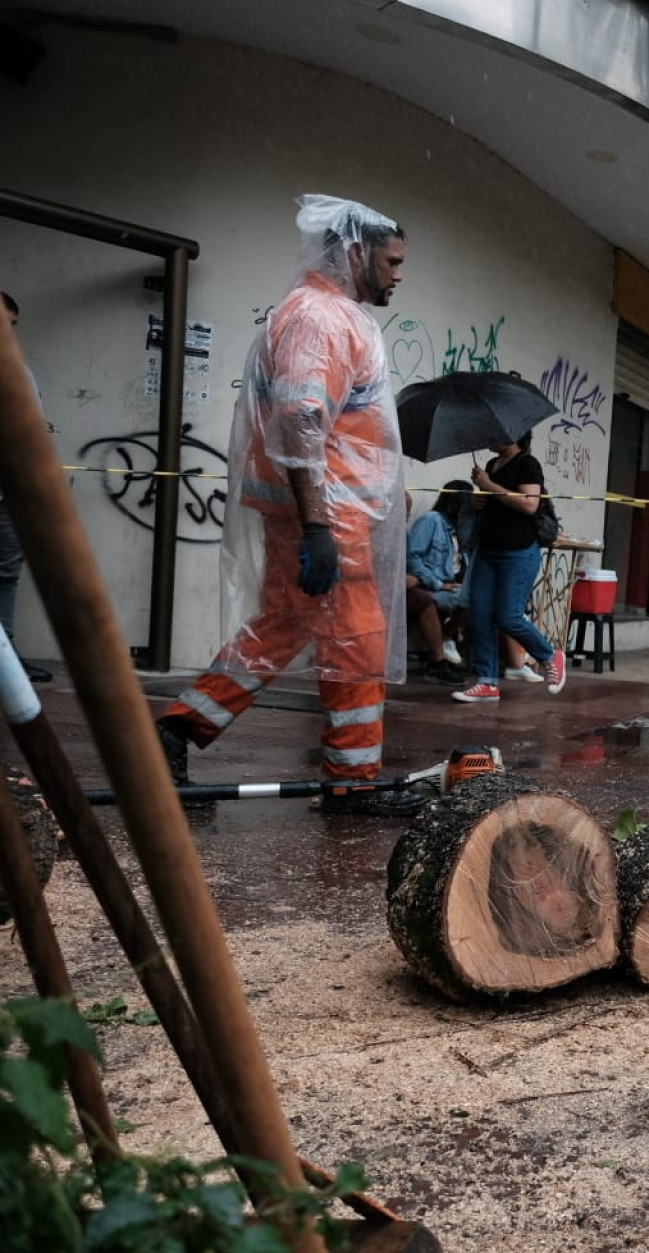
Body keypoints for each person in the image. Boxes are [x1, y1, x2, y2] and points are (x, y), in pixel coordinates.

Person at [153, 197, 420, 815]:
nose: (399, 275)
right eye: (393, 260)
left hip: (328, 514)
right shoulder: (322, 318)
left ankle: (177, 727)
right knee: (358, 642)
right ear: (356, 251)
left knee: (281, 628)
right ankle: (352, 783)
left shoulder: (321, 314)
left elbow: (327, 423)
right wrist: (320, 527)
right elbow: (302, 420)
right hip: (331, 519)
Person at [452, 431, 564, 702]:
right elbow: (494, 502)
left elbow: (529, 504)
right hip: (489, 550)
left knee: (508, 616)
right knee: (480, 616)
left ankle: (550, 656)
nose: (491, 437)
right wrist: (480, 500)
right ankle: (487, 681)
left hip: (519, 552)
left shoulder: (528, 464)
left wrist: (489, 486)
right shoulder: (491, 465)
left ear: (515, 436)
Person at [1, 294, 53, 683]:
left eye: (13, 324)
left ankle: (6, 659)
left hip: (9, 493)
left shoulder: (20, 373)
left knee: (6, 573)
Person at [406, 480, 472, 683]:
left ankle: (443, 638)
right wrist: (437, 583)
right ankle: (439, 656)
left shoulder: (457, 530)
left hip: (450, 584)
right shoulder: (432, 521)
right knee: (433, 600)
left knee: (479, 598)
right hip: (429, 583)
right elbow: (413, 557)